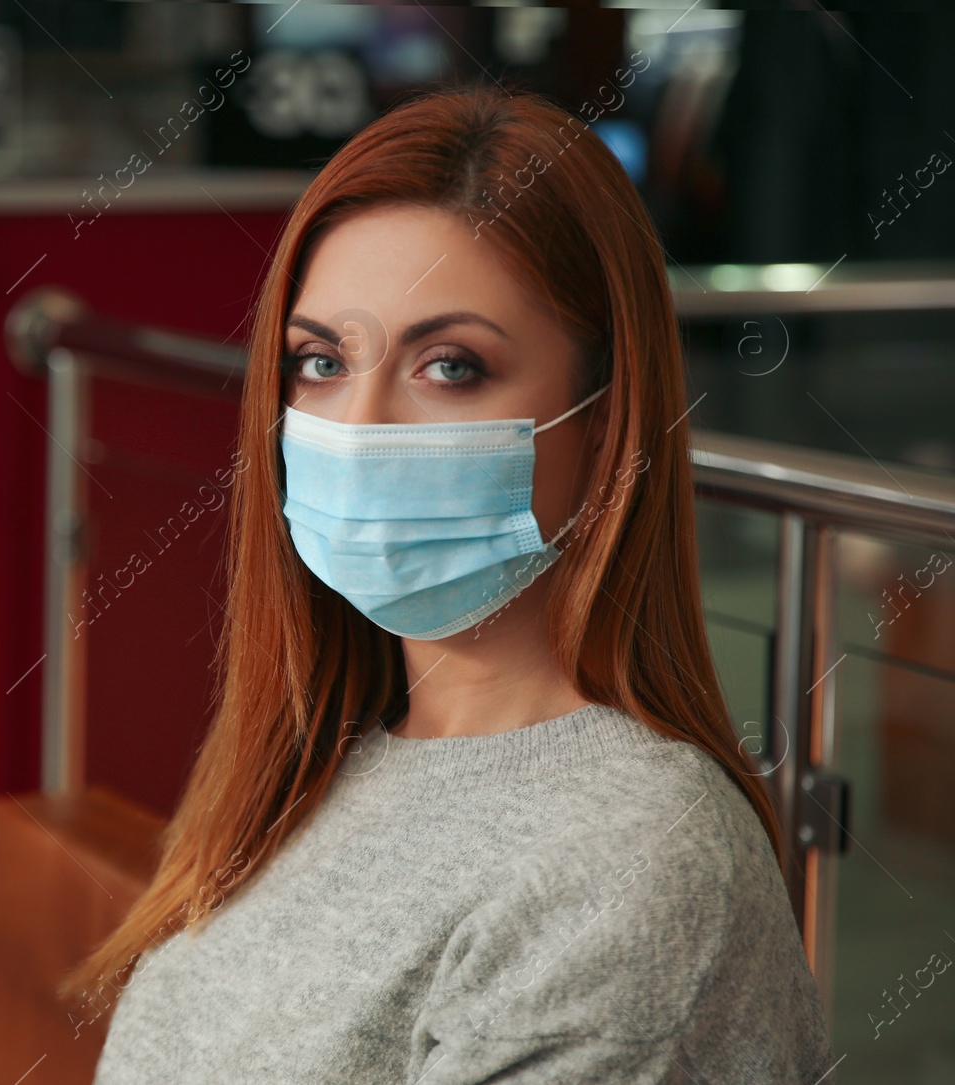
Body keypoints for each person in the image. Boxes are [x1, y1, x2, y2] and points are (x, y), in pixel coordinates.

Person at [71, 85, 833, 1083]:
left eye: (451, 366)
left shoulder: (627, 867)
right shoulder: (306, 763)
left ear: (603, 422)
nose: (362, 423)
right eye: (319, 360)